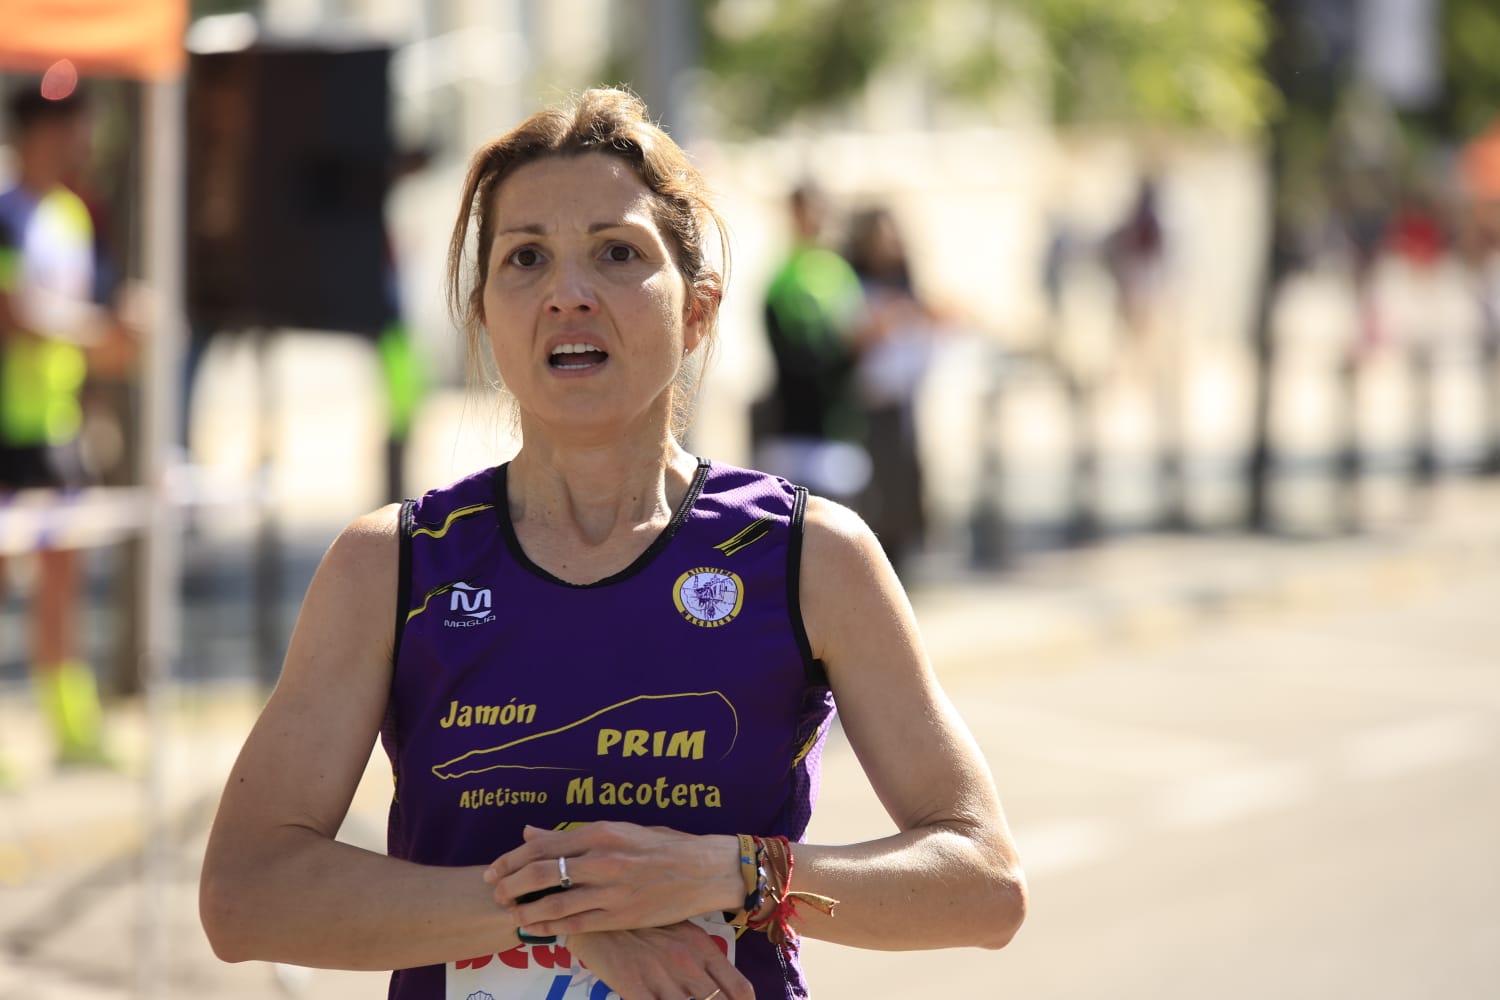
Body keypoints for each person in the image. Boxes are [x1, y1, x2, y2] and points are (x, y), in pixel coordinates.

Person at [200, 88, 1026, 1000]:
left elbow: (983, 883)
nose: (568, 294)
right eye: (526, 258)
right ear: (484, 318)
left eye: (617, 253)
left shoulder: (808, 555)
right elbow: (245, 896)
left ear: (699, 312)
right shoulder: (391, 565)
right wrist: (562, 909)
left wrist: (739, 872)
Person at [0, 82, 133, 773]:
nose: (83, 140)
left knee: (63, 579)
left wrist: (96, 388)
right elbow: (14, 314)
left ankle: (71, 727)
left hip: (56, 426)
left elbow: (76, 313)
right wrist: (101, 337)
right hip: (6, 428)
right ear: (37, 131)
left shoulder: (72, 215)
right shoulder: (5, 210)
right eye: (72, 126)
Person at [753, 182, 871, 502]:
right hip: (794, 430)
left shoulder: (838, 272)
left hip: (840, 428)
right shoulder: (785, 278)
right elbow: (798, 352)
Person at [844, 205, 941, 578]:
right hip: (867, 400)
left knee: (905, 477)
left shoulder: (904, 282)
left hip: (903, 396)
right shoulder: (852, 281)